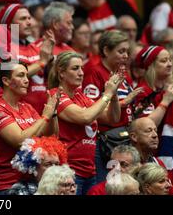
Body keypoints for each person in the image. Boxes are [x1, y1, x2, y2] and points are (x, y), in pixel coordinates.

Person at [48, 51, 123, 195]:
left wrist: (114, 95)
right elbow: (85, 117)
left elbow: (112, 118)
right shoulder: (55, 95)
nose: (81, 73)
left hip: (90, 170)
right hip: (68, 171)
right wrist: (106, 94)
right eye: (75, 68)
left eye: (81, 68)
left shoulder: (80, 97)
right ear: (61, 73)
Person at [0, 61, 58, 195]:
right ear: (6, 81)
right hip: (7, 185)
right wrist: (45, 117)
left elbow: (51, 137)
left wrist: (53, 113)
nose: (26, 80)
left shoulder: (27, 107)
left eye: (27, 76)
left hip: (32, 181)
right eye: (20, 76)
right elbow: (19, 140)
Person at [82, 30, 140, 181]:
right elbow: (92, 111)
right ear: (106, 50)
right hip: (105, 142)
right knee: (109, 184)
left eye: (127, 51)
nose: (126, 56)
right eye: (121, 51)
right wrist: (122, 103)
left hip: (124, 138)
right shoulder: (94, 73)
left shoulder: (122, 74)